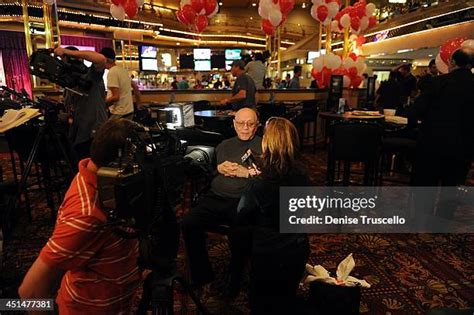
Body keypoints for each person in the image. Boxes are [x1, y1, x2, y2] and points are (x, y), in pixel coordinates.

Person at [19, 119, 142, 314]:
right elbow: (29, 293)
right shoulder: (87, 215)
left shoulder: (92, 173)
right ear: (118, 166)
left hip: (116, 301)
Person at [234, 117, 309, 314]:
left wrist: (255, 180)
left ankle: (233, 279)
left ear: (268, 141)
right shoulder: (303, 173)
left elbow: (242, 213)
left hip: (269, 251)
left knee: (261, 303)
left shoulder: (259, 180)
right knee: (286, 299)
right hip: (297, 247)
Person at [181, 108, 262, 287]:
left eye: (250, 124)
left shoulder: (265, 146)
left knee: (238, 233)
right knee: (188, 223)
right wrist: (218, 169)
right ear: (234, 124)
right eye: (241, 123)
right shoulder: (224, 145)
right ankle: (202, 275)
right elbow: (209, 172)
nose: (245, 128)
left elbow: (271, 177)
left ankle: (235, 277)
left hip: (243, 200)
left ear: (257, 126)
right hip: (215, 197)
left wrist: (246, 173)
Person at [409, 47, 474, 188]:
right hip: (464, 147)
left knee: (425, 188)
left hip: (433, 142)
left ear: (452, 62)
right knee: (451, 189)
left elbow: (418, 109)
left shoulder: (438, 82)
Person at [55, 46, 108, 162]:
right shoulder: (71, 81)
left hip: (94, 132)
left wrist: (67, 52)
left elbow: (101, 59)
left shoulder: (90, 75)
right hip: (80, 132)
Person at [101, 47, 141, 119]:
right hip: (129, 112)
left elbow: (116, 97)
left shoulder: (112, 72)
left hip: (118, 113)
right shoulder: (123, 70)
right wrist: (138, 105)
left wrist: (102, 106)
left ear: (105, 59)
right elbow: (135, 87)